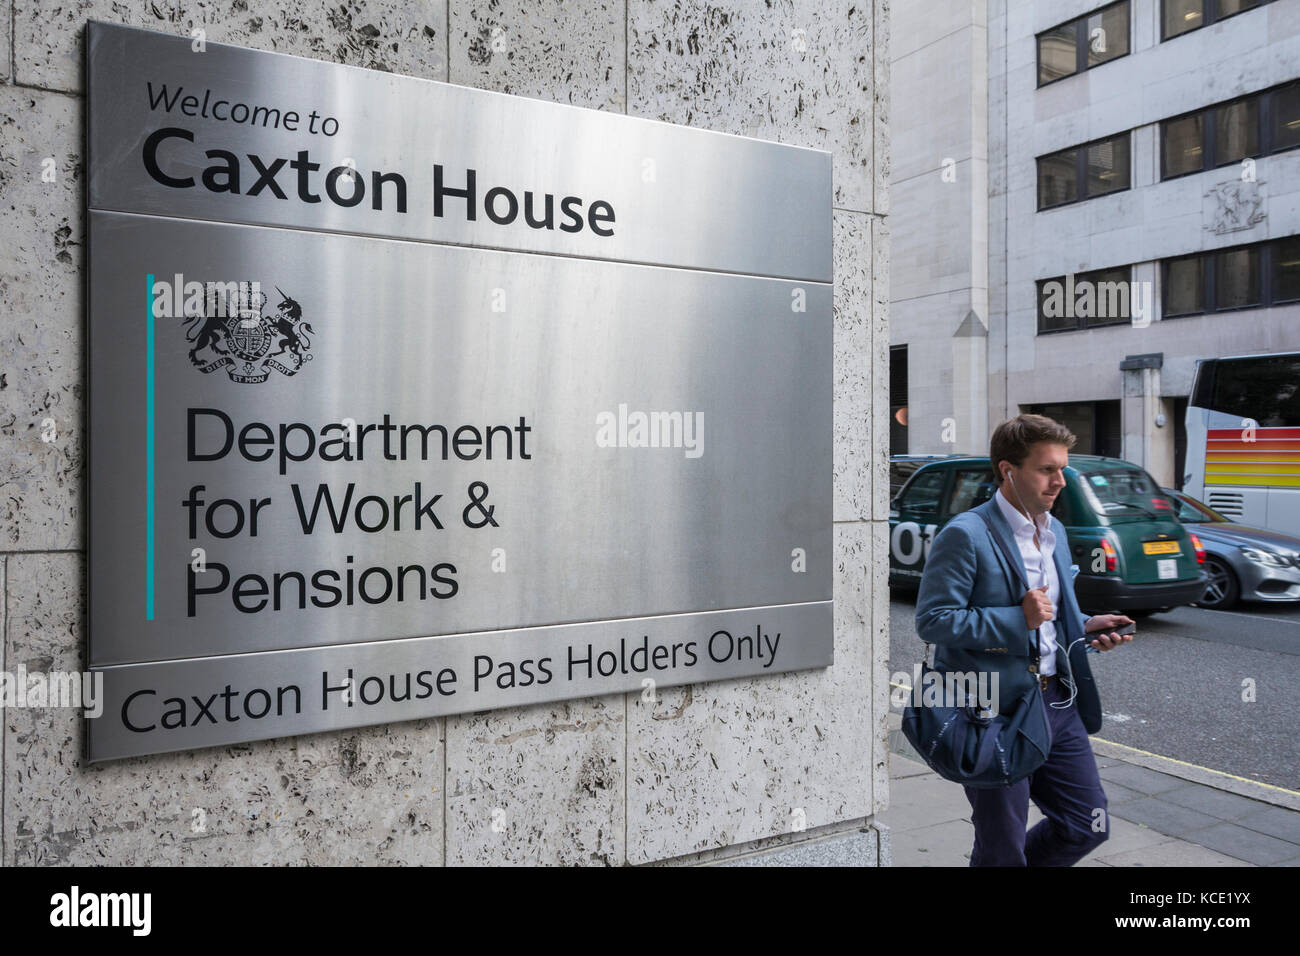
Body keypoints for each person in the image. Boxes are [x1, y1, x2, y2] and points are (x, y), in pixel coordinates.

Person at [915, 414, 1134, 866]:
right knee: (1002, 847)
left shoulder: (1054, 532)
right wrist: (1018, 620)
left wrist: (1088, 628)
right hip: (993, 709)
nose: (1060, 481)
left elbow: (1052, 618)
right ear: (1008, 470)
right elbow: (934, 621)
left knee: (1084, 825)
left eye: (1062, 469)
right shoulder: (966, 534)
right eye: (1047, 469)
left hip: (1058, 702)